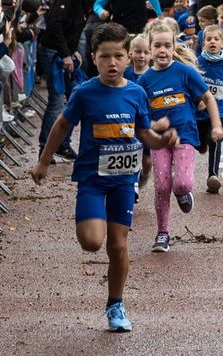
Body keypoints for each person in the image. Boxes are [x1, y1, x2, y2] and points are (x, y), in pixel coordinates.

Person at [32, 23, 179, 332]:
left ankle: (115, 304)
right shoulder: (85, 92)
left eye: (118, 56)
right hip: (92, 179)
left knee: (118, 245)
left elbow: (143, 133)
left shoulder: (137, 93)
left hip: (124, 180)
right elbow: (61, 126)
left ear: (128, 58)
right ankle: (110, 286)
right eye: (105, 57)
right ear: (93, 58)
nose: (112, 63)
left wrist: (160, 140)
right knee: (91, 242)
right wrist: (43, 162)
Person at [138, 18, 222, 253]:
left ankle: (183, 194)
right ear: (150, 48)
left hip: (185, 136)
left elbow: (208, 98)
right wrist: (155, 124)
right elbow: (140, 117)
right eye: (157, 46)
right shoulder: (144, 81)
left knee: (182, 183)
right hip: (159, 140)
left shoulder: (184, 72)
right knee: (162, 186)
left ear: (174, 48)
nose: (162, 50)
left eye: (167, 45)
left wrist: (216, 125)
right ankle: (163, 233)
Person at [39, 0, 102, 158]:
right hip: (53, 52)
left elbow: (71, 26)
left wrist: (73, 49)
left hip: (64, 50)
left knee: (74, 96)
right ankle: (44, 149)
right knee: (56, 100)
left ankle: (62, 144)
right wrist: (66, 53)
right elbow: (55, 23)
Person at [197, 24, 223, 195]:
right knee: (201, 142)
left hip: (219, 112)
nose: (212, 42)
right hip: (199, 113)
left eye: (216, 39)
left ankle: (212, 176)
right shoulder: (198, 62)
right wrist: (197, 100)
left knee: (215, 141)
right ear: (203, 43)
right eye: (209, 39)